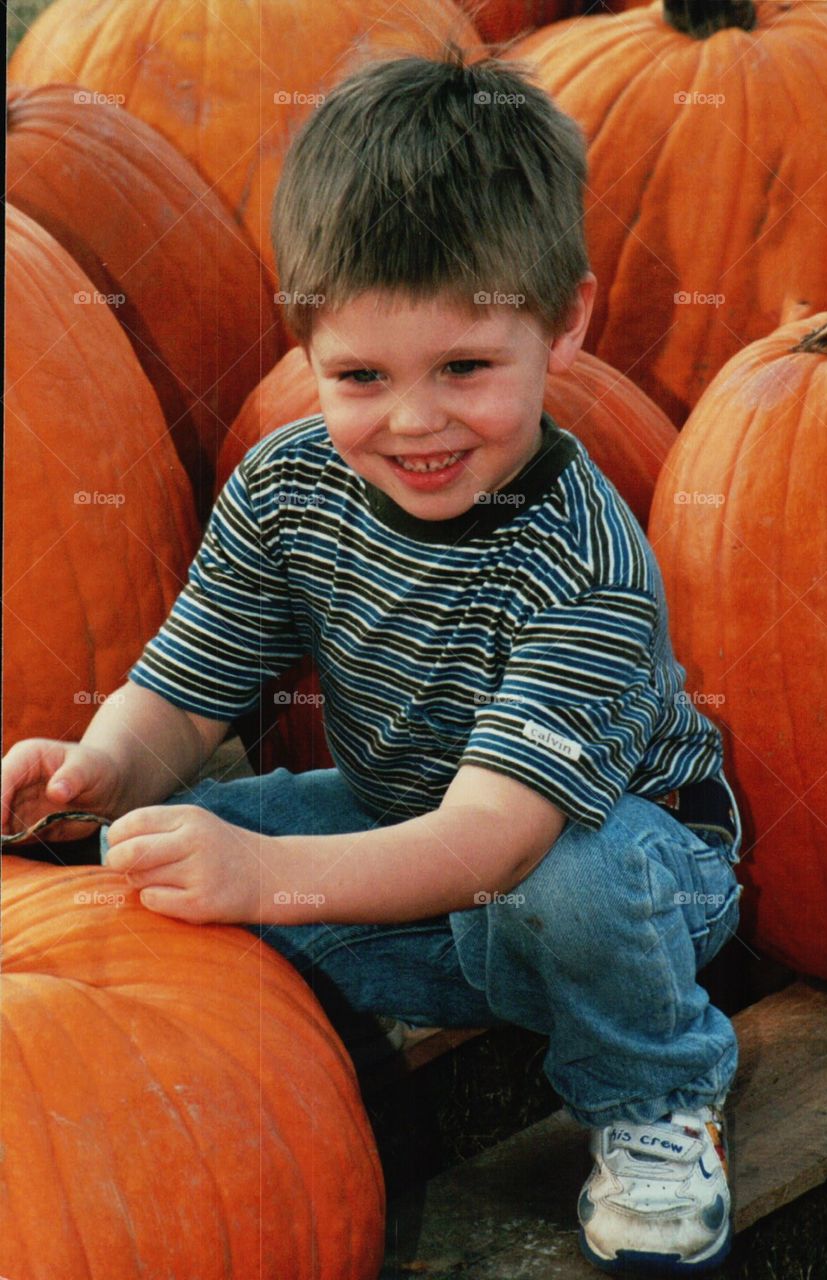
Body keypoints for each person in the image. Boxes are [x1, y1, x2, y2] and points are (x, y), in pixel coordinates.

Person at [1, 47, 744, 1275]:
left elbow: (498, 841)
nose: (413, 421)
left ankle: (655, 1090)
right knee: (167, 845)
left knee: (571, 879)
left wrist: (269, 881)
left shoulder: (587, 566)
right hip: (408, 831)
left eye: (463, 367)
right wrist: (101, 771)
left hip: (623, 870)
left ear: (564, 322)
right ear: (306, 345)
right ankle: (287, 1063)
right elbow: (185, 691)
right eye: (359, 375)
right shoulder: (290, 488)